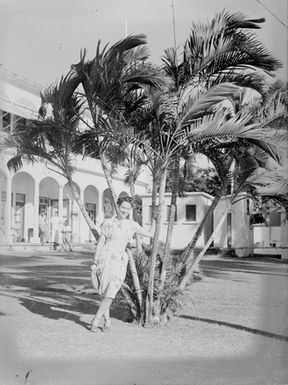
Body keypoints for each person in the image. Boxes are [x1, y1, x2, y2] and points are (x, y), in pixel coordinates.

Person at [90, 195, 154, 332]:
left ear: (130, 210)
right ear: (118, 207)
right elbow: (101, 242)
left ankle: (95, 320)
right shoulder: (108, 222)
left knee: (111, 293)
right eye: (123, 207)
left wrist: (155, 218)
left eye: (127, 208)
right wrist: (95, 262)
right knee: (105, 293)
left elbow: (149, 234)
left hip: (119, 262)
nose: (125, 210)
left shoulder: (132, 225)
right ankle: (107, 321)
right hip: (105, 260)